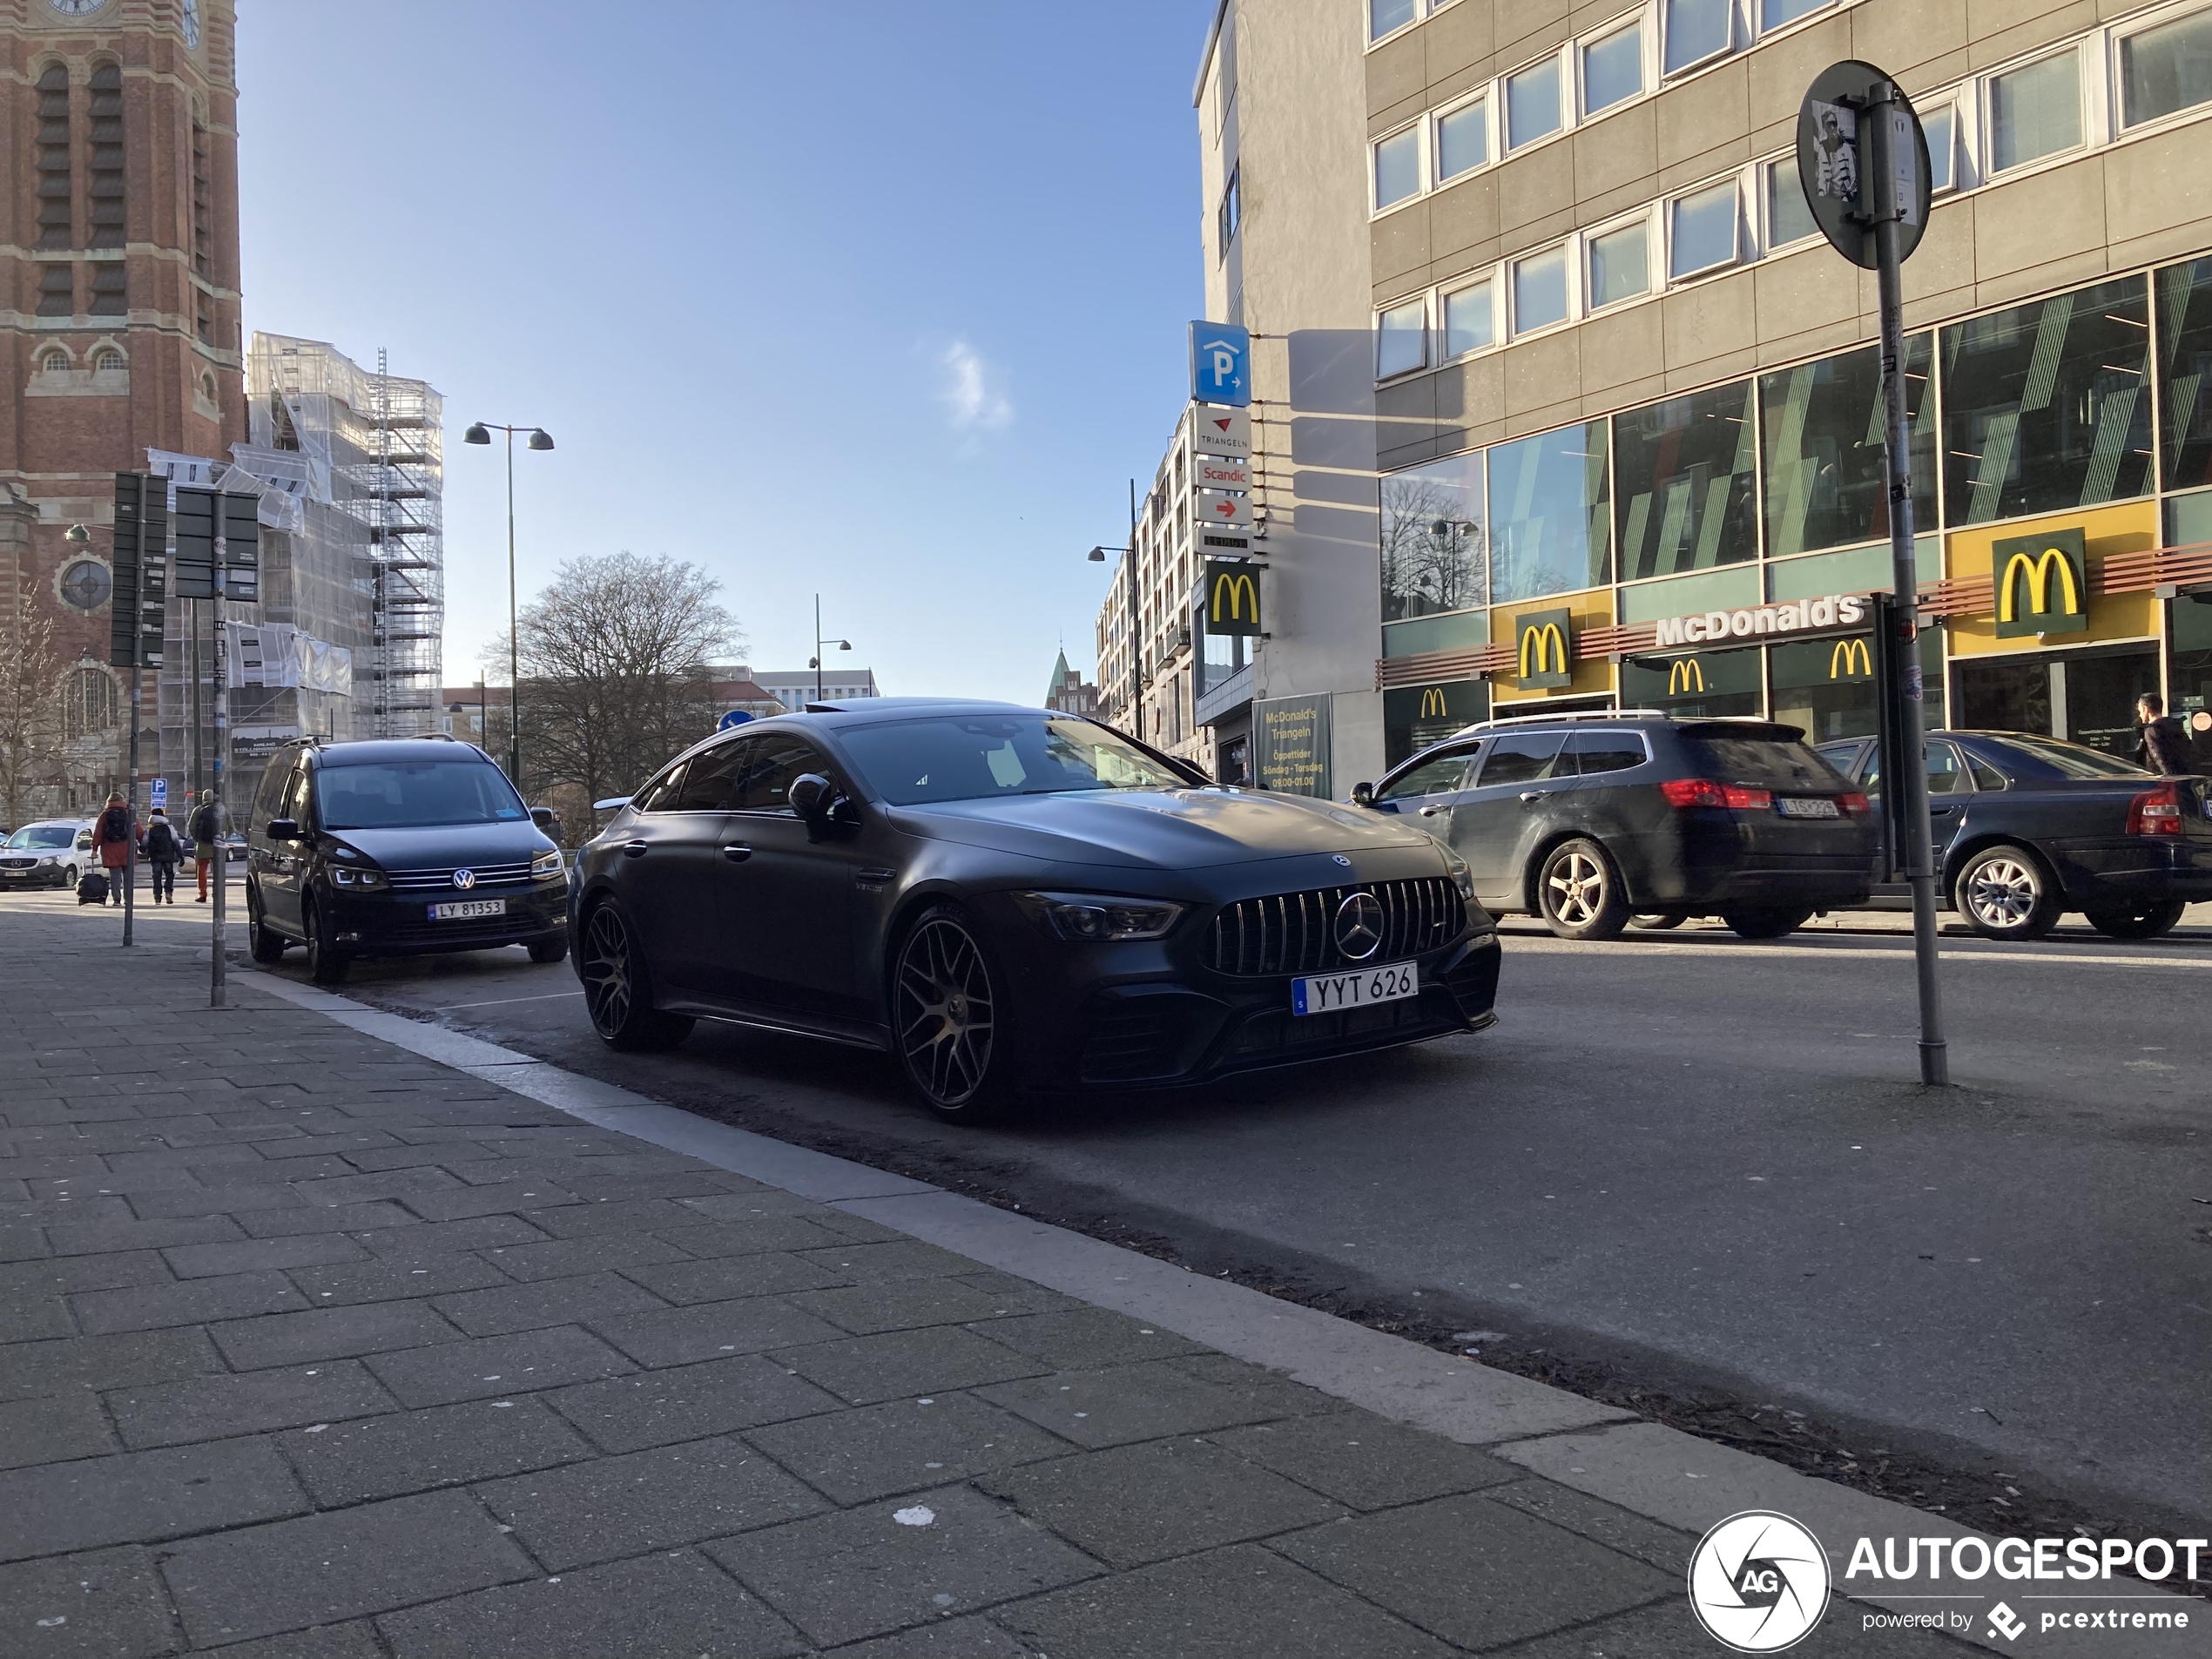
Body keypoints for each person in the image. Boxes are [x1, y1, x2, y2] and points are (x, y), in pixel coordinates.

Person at [91, 792, 137, 907]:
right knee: (128, 878)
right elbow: (138, 830)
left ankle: (117, 900)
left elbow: (98, 833)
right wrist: (144, 843)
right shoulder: (128, 813)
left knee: (115, 877)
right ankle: (128, 900)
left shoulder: (105, 815)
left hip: (110, 849)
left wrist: (94, 850)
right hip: (127, 848)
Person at [2136, 693, 2191, 776]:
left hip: (2163, 780)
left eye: (2140, 711)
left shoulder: (2152, 730)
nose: (2140, 715)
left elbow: (2160, 758)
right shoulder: (2175, 725)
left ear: (2145, 709)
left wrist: (2169, 780)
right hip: (2184, 775)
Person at [142, 806, 182, 905]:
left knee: (156, 876)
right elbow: (176, 842)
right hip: (168, 855)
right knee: (169, 874)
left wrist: (143, 851)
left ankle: (157, 897)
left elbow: (144, 843)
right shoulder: (170, 828)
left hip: (155, 856)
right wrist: (181, 856)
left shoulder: (149, 829)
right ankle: (168, 893)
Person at [187, 789, 220, 902]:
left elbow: (191, 827)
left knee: (202, 870)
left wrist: (198, 839)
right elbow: (231, 827)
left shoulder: (198, 810)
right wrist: (221, 839)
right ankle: (217, 893)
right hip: (217, 845)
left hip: (202, 846)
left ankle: (202, 894)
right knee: (218, 871)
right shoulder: (221, 810)